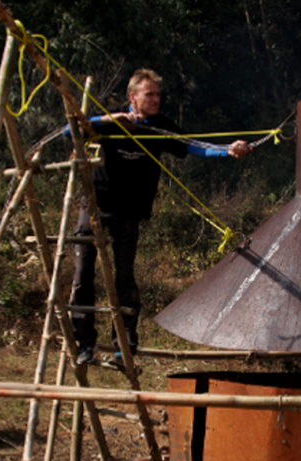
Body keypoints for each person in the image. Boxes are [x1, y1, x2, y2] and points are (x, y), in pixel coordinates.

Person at [70, 68, 251, 365]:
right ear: (133, 97)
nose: (156, 99)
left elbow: (195, 147)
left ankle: (123, 346)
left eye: (158, 95)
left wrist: (227, 151)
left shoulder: (161, 127)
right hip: (94, 208)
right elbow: (70, 131)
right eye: (149, 94)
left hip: (130, 214)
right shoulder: (111, 118)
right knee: (82, 277)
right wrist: (105, 121)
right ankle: (84, 345)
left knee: (124, 279)